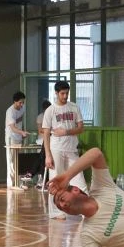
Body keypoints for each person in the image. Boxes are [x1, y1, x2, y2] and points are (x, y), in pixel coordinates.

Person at [41, 79, 85, 220]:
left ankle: (85, 209)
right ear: (56, 93)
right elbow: (46, 133)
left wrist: (66, 132)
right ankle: (55, 212)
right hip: (56, 150)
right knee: (56, 181)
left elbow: (80, 128)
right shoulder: (50, 111)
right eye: (62, 94)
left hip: (71, 149)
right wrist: (48, 155)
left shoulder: (74, 107)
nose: (65, 96)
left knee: (79, 179)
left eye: (67, 93)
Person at [3, 90, 27, 188]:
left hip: (18, 137)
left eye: (23, 102)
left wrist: (22, 133)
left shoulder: (23, 108)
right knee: (11, 160)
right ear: (14, 101)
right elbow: (12, 127)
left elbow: (21, 122)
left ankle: (19, 181)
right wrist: (22, 132)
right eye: (20, 102)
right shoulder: (10, 111)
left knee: (19, 159)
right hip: (11, 137)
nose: (22, 104)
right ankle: (11, 183)